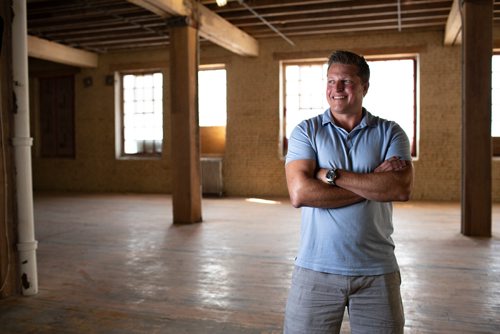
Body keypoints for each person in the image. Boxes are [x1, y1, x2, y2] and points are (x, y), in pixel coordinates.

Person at [283, 50, 413, 334]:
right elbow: (300, 194)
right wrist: (373, 184)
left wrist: (330, 175)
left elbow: (400, 188)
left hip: (377, 271)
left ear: (364, 86)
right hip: (315, 269)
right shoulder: (307, 131)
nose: (336, 89)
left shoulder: (391, 133)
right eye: (330, 81)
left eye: (345, 81)